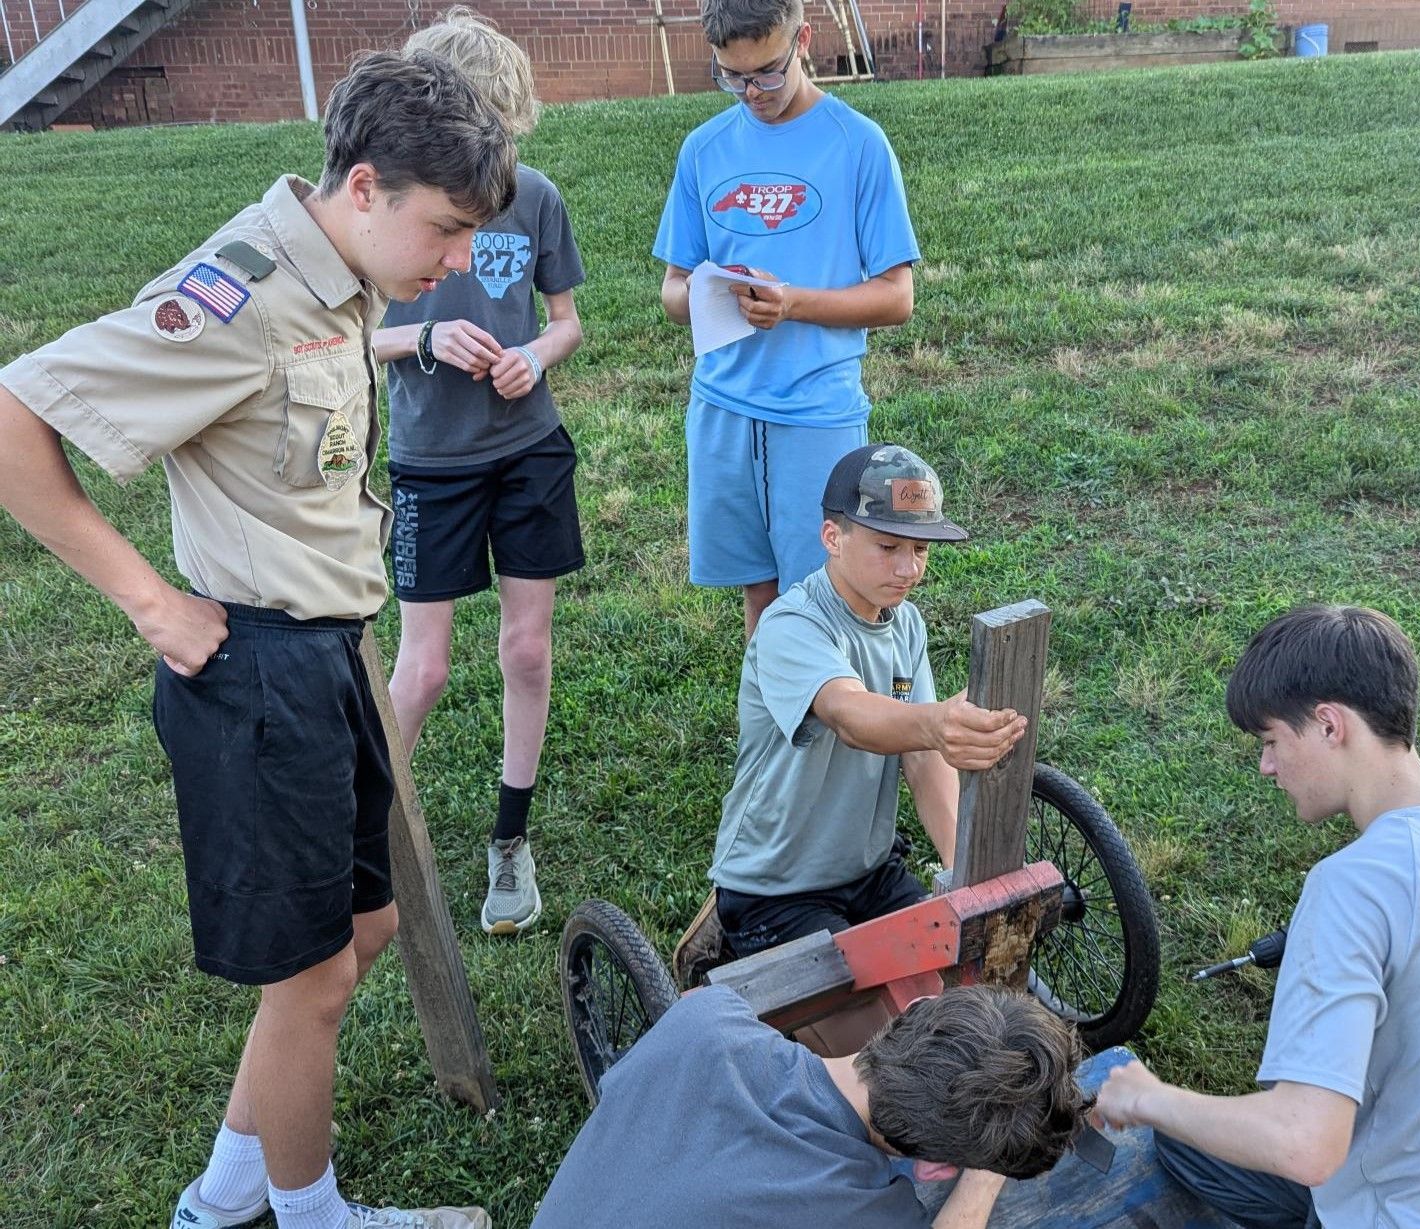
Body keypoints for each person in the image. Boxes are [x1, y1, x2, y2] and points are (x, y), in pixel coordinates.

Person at [0, 49, 518, 1229]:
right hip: (256, 673)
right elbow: (13, 413)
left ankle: (229, 1192)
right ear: (368, 187)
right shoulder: (235, 291)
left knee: (368, 927)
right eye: (444, 231)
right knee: (317, 979)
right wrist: (151, 601)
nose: (455, 264)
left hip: (331, 654)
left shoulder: (341, 277)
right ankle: (311, 1214)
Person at [1094, 605, 1420, 1228]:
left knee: (1178, 1127)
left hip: (1410, 1214)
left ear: (1329, 725)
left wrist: (1146, 1097)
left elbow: (1304, 1144)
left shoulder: (1353, 887)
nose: (1266, 766)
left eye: (1272, 741)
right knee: (1190, 1144)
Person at [372, 7, 586, 937]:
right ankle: (364, 837)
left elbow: (566, 319)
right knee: (419, 672)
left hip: (527, 451)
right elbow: (351, 338)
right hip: (431, 464)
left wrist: (534, 355)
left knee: (527, 650)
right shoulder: (387, 211)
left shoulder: (534, 196)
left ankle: (510, 840)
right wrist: (422, 335)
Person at [653, 0, 921, 636]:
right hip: (723, 408)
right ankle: (772, 733)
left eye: (768, 72)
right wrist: (712, 293)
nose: (752, 92)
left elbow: (896, 297)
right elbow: (671, 289)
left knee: (830, 600)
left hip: (816, 413)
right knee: (763, 596)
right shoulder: (703, 149)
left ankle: (845, 728)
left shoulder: (858, 143)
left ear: (804, 39)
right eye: (732, 76)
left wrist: (793, 303)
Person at [702, 443, 1028, 963]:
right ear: (834, 537)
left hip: (871, 874)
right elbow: (848, 714)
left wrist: (967, 882)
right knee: (881, 1037)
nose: (908, 569)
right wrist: (938, 721)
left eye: (920, 550)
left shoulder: (907, 625)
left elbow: (922, 762)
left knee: (953, 987)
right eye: (889, 547)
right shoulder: (791, 625)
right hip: (778, 888)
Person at [529, 983, 1093, 1229]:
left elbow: (696, 1003)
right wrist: (982, 1181)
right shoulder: (874, 1217)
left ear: (918, 1005)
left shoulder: (708, 1020)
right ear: (936, 1169)